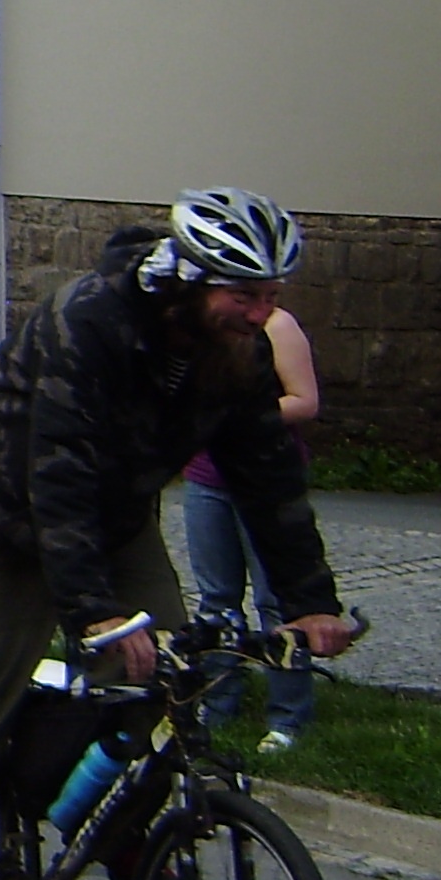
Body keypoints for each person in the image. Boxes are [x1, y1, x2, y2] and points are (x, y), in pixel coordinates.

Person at [0, 189, 357, 880]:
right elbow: (59, 470)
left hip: (113, 513)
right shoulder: (91, 317)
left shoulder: (238, 349)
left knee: (164, 675)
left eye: (272, 295)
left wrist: (308, 600)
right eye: (244, 295)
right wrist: (95, 613)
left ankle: (111, 822)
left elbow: (268, 474)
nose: (261, 312)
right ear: (190, 279)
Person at [184, 305, 323, 744]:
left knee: (274, 601)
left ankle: (287, 718)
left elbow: (304, 400)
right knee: (216, 599)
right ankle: (217, 705)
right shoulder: (201, 325)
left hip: (266, 476)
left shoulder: (278, 325)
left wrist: (237, 417)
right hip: (205, 478)